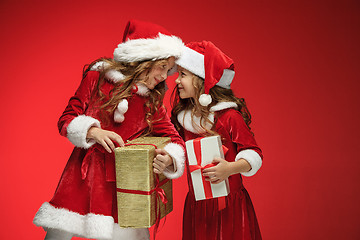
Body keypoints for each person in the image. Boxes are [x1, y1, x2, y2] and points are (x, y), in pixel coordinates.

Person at [33, 20, 186, 240]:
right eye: (162, 66)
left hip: (122, 187)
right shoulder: (97, 79)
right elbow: (66, 120)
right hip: (79, 179)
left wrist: (170, 159)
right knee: (59, 232)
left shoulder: (151, 102)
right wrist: (93, 131)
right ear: (142, 60)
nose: (165, 76)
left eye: (169, 69)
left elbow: (175, 140)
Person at [171, 41, 263, 240]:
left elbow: (253, 154)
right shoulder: (183, 120)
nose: (177, 81)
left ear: (202, 80)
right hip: (198, 206)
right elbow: (176, 151)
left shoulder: (229, 117)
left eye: (183, 75)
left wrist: (229, 168)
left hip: (229, 206)